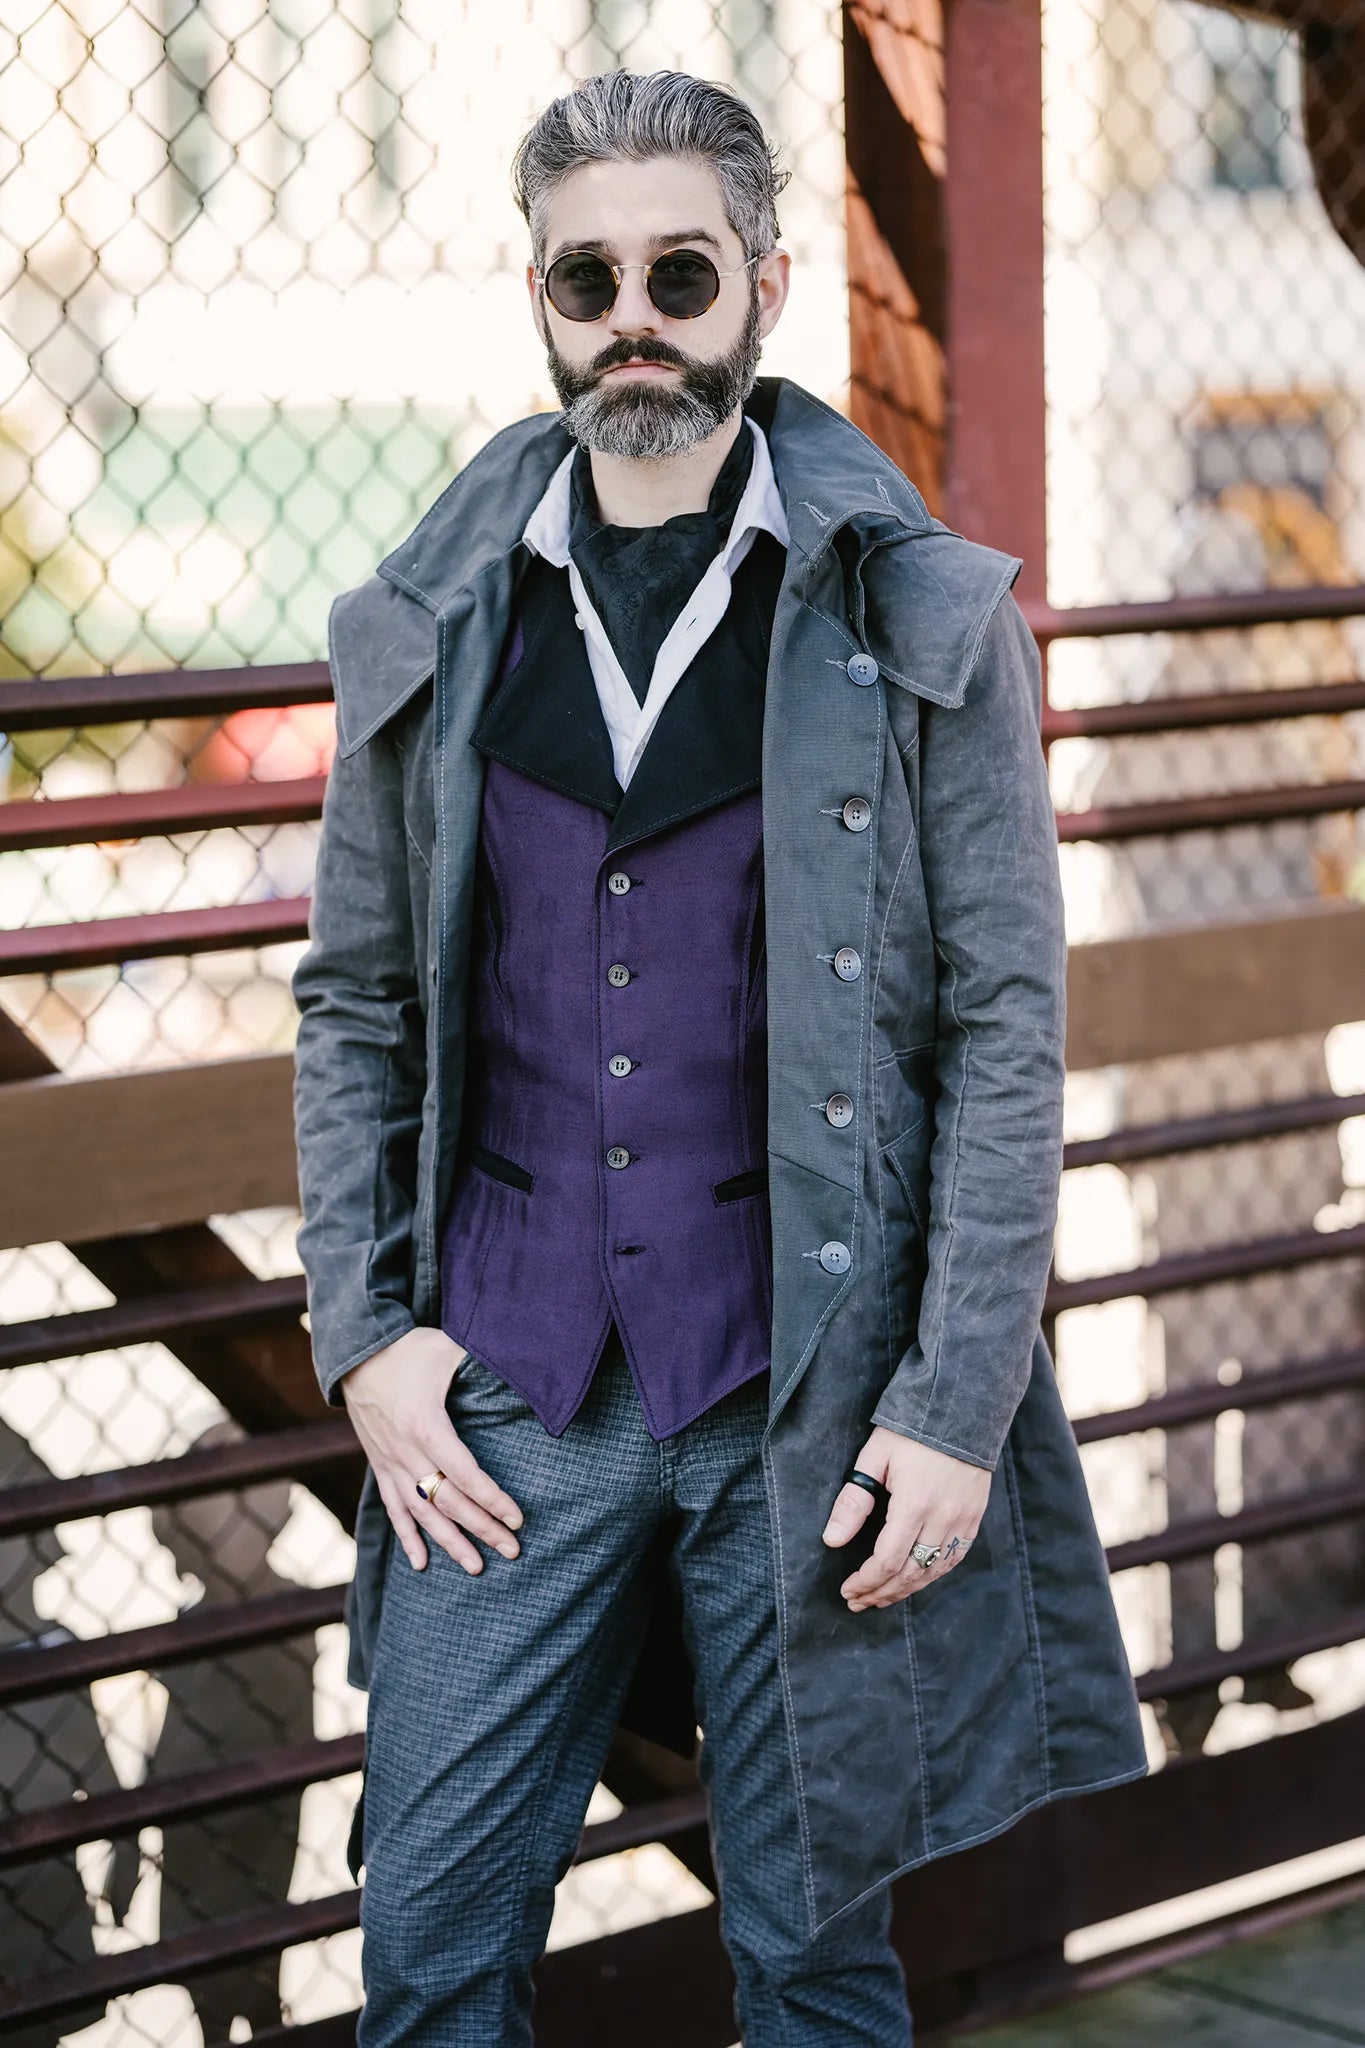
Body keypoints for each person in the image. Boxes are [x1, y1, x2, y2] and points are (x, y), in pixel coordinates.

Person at [290, 67, 1148, 2048]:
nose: (632, 321)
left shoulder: (922, 616)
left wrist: (952, 1401)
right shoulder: (432, 615)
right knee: (427, 1948)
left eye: (678, 271)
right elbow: (354, 1000)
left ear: (762, 283)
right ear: (536, 295)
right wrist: (364, 1331)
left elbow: (1004, 1027)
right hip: (504, 1387)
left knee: (809, 1961)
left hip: (803, 1382)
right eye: (584, 278)